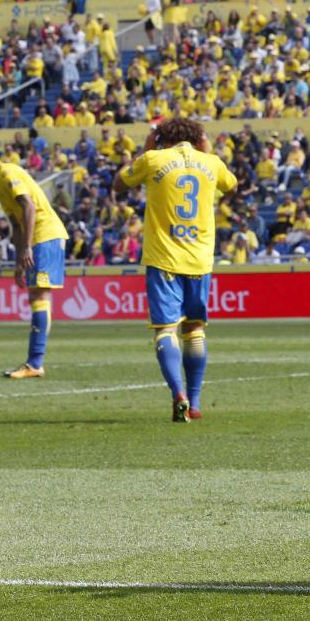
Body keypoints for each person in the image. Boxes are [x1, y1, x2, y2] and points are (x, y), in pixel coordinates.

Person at [113, 118, 237, 422]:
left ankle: (177, 392)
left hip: (163, 259)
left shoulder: (154, 159)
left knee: (166, 329)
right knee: (194, 330)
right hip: (199, 260)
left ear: (162, 140)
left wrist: (145, 149)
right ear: (197, 139)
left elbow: (118, 184)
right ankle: (193, 402)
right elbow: (231, 187)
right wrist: (208, 152)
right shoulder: (211, 163)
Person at [0, 141, 69, 378]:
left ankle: (35, 363)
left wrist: (27, 248)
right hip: (37, 239)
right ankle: (34, 362)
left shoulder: (8, 172)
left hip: (46, 235)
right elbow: (15, 224)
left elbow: (30, 207)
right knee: (36, 295)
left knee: (40, 294)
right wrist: (18, 263)